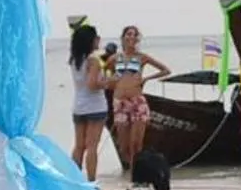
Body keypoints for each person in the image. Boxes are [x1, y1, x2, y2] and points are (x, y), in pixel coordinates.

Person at [105, 24, 170, 174]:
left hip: (137, 102)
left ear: (137, 39)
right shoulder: (115, 58)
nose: (131, 37)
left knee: (136, 145)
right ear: (123, 38)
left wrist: (146, 78)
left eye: (134, 35)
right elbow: (103, 73)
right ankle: (133, 171)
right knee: (123, 145)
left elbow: (165, 70)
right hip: (120, 103)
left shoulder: (142, 57)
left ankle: (136, 177)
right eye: (128, 34)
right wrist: (110, 82)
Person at [67, 20, 109, 179]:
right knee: (92, 146)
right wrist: (106, 83)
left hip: (79, 105)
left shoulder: (75, 60)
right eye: (96, 37)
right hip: (95, 106)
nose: (98, 40)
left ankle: (75, 177)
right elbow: (92, 84)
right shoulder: (93, 60)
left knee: (79, 146)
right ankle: (91, 181)